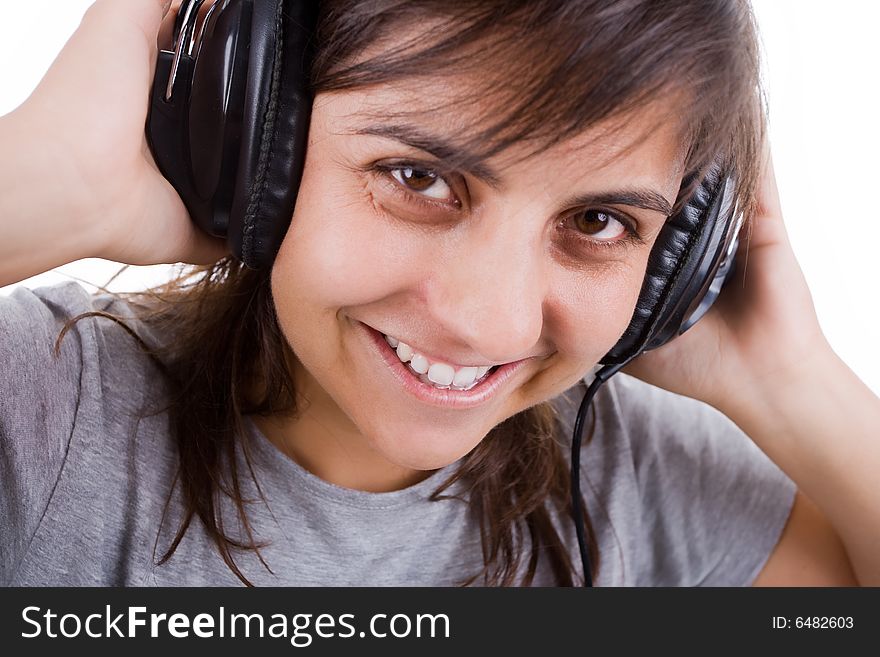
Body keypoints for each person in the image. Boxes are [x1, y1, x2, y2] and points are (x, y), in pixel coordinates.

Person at [0, 0, 877, 587]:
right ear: (256, 142)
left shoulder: (644, 483)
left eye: (601, 222)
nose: (486, 318)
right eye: (418, 176)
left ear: (673, 270)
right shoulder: (46, 409)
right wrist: (49, 187)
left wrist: (791, 380)